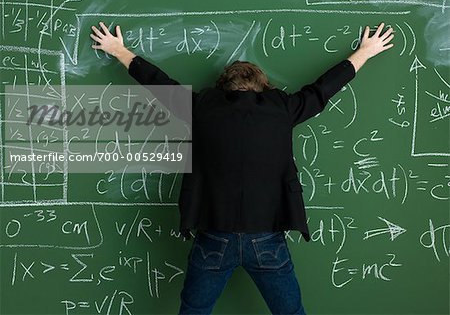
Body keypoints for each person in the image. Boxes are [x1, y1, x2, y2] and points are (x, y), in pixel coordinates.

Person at [90, 21, 394, 315]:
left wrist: (118, 50)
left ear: (224, 88)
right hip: (266, 239)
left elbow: (159, 83)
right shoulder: (283, 109)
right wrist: (365, 52)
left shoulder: (201, 108)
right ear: (262, 88)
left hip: (214, 236)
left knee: (194, 311)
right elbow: (322, 90)